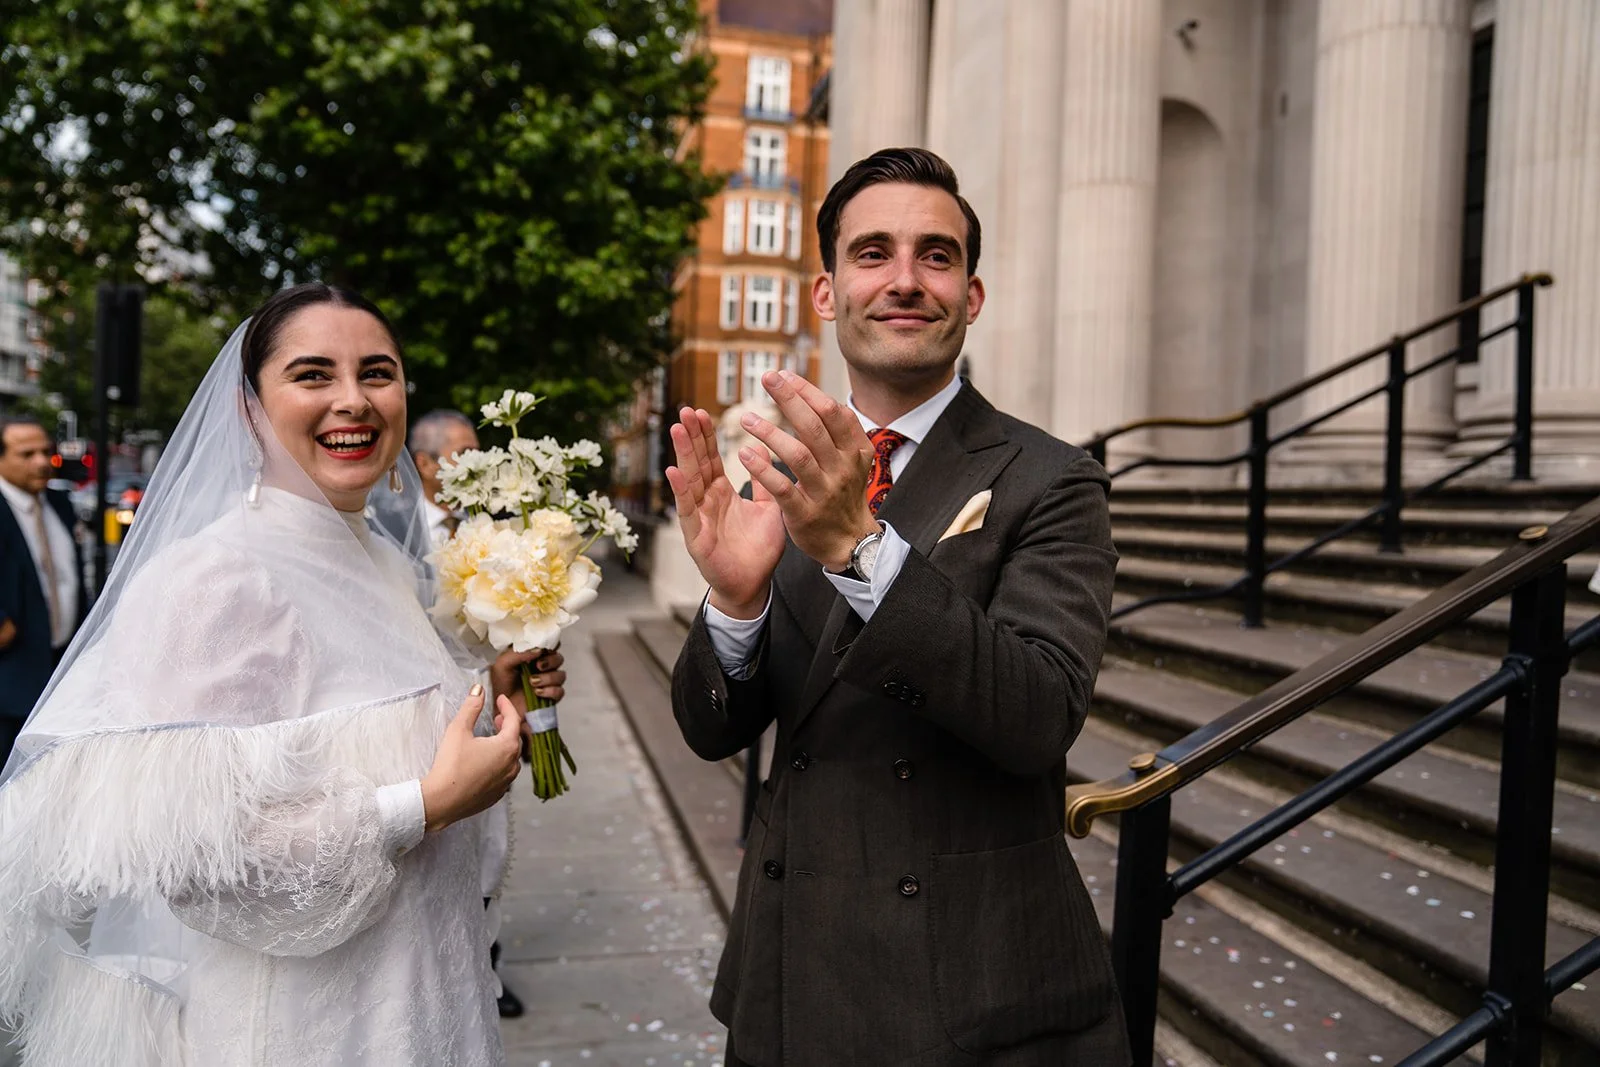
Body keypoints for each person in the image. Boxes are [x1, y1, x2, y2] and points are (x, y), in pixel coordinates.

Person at [0, 283, 567, 1066]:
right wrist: (425, 805)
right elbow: (202, 861)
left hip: (428, 998)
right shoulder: (215, 577)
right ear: (249, 407)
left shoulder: (381, 560)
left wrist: (490, 691)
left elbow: (360, 730)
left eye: (377, 372)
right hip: (312, 1030)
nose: (353, 401)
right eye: (311, 375)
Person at [665, 148, 1131, 1066]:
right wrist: (733, 600)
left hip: (969, 992)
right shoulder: (781, 472)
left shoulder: (1053, 478)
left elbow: (1039, 716)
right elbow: (713, 731)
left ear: (973, 293)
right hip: (790, 974)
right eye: (873, 253)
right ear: (828, 293)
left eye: (938, 255)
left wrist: (859, 548)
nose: (906, 280)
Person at [407, 406, 525, 1020]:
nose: (479, 467)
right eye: (463, 455)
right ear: (425, 464)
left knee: (491, 848)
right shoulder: (398, 532)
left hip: (488, 698)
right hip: (431, 718)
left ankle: (487, 962)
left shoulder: (489, 528)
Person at [0, 414, 87, 758]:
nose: (40, 462)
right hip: (10, 680)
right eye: (26, 454)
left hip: (61, 675)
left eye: (44, 451)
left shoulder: (60, 504)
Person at [410, 408, 480, 547]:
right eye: (464, 454)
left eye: (478, 453)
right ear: (425, 464)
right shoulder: (401, 528)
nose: (477, 463)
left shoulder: (491, 519)